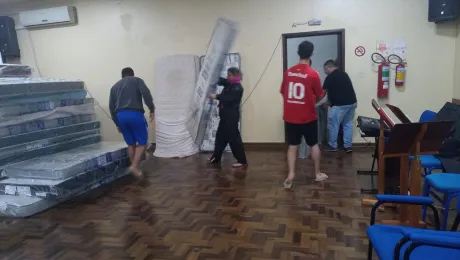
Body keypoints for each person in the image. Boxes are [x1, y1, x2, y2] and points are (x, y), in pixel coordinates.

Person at [280, 41, 328, 189]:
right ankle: (317, 173)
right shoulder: (313, 74)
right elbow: (320, 96)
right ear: (312, 53)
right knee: (313, 144)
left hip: (290, 116)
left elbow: (283, 92)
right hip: (307, 116)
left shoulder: (288, 72)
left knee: (292, 146)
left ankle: (291, 174)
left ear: (298, 52)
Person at [109, 67, 155, 178]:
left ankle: (135, 169)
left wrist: (117, 123)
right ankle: (134, 166)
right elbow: (146, 94)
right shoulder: (137, 80)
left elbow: (111, 107)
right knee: (142, 142)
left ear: (122, 76)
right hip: (135, 114)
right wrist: (152, 108)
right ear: (132, 74)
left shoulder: (114, 87)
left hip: (120, 116)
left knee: (131, 143)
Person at [208, 67, 248, 168]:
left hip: (231, 118)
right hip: (225, 118)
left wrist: (215, 96)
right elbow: (222, 81)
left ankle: (242, 161)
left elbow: (227, 99)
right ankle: (216, 158)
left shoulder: (237, 87)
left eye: (229, 75)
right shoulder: (230, 84)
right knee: (220, 138)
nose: (227, 77)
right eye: (228, 75)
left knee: (234, 140)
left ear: (235, 76)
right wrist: (213, 76)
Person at [322, 59, 357, 153]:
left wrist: (314, 101)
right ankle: (348, 147)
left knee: (333, 125)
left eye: (325, 69)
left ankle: (333, 146)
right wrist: (329, 102)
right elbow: (340, 91)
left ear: (329, 67)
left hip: (340, 105)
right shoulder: (344, 74)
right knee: (347, 124)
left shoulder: (330, 77)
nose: (325, 72)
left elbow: (323, 92)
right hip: (352, 103)